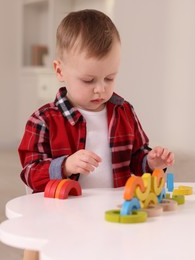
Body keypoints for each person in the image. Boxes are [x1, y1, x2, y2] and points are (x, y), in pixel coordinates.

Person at [18, 9, 174, 193]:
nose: (100, 89)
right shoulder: (43, 121)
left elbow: (136, 158)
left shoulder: (123, 111)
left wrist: (150, 162)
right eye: (88, 80)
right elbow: (30, 174)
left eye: (109, 78)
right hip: (64, 214)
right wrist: (65, 166)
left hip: (115, 211)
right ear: (60, 71)